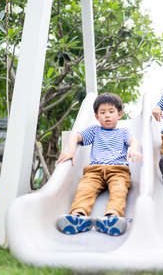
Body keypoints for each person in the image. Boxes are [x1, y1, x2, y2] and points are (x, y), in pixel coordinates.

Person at [56, 93, 142, 236]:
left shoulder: (123, 132)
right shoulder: (94, 131)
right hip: (94, 171)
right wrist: (71, 150)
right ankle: (78, 217)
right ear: (96, 117)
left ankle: (112, 218)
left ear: (119, 114)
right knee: (85, 189)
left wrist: (133, 149)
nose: (107, 115)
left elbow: (133, 141)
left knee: (119, 190)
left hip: (118, 170)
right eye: (102, 112)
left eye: (111, 112)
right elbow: (75, 136)